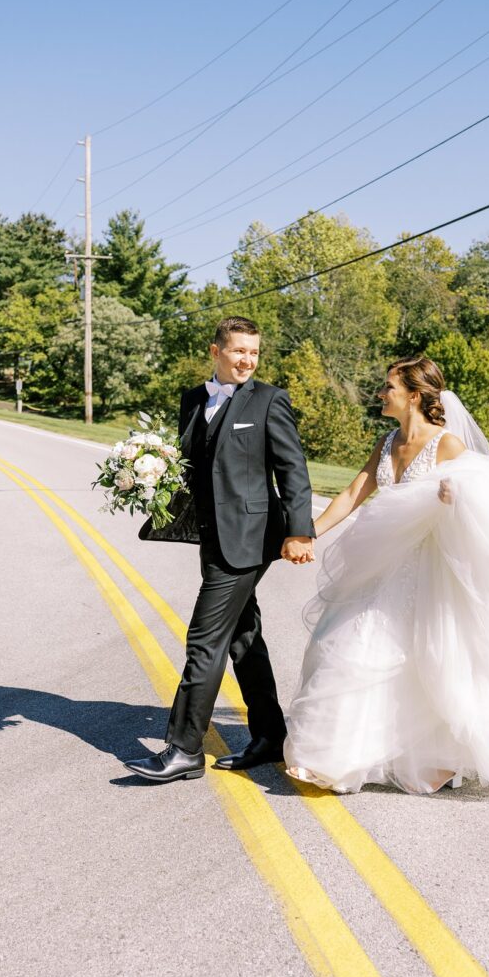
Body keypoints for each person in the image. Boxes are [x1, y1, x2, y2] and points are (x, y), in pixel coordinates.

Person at [282, 356, 489, 795]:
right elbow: (355, 491)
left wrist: (456, 496)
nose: (380, 393)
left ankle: (440, 759)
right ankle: (331, 759)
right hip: (381, 568)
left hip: (429, 574)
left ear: (414, 395)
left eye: (388, 386)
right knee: (350, 652)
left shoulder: (447, 446)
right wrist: (305, 533)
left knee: (433, 662)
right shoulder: (387, 441)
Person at [123, 317, 315, 784]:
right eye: (239, 351)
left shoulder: (270, 400)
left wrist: (299, 531)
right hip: (212, 536)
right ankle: (270, 735)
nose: (248, 360)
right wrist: (144, 473)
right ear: (216, 352)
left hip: (251, 539)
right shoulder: (194, 399)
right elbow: (190, 463)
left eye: (254, 352)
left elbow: (293, 469)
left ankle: (185, 748)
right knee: (242, 636)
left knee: (204, 640)